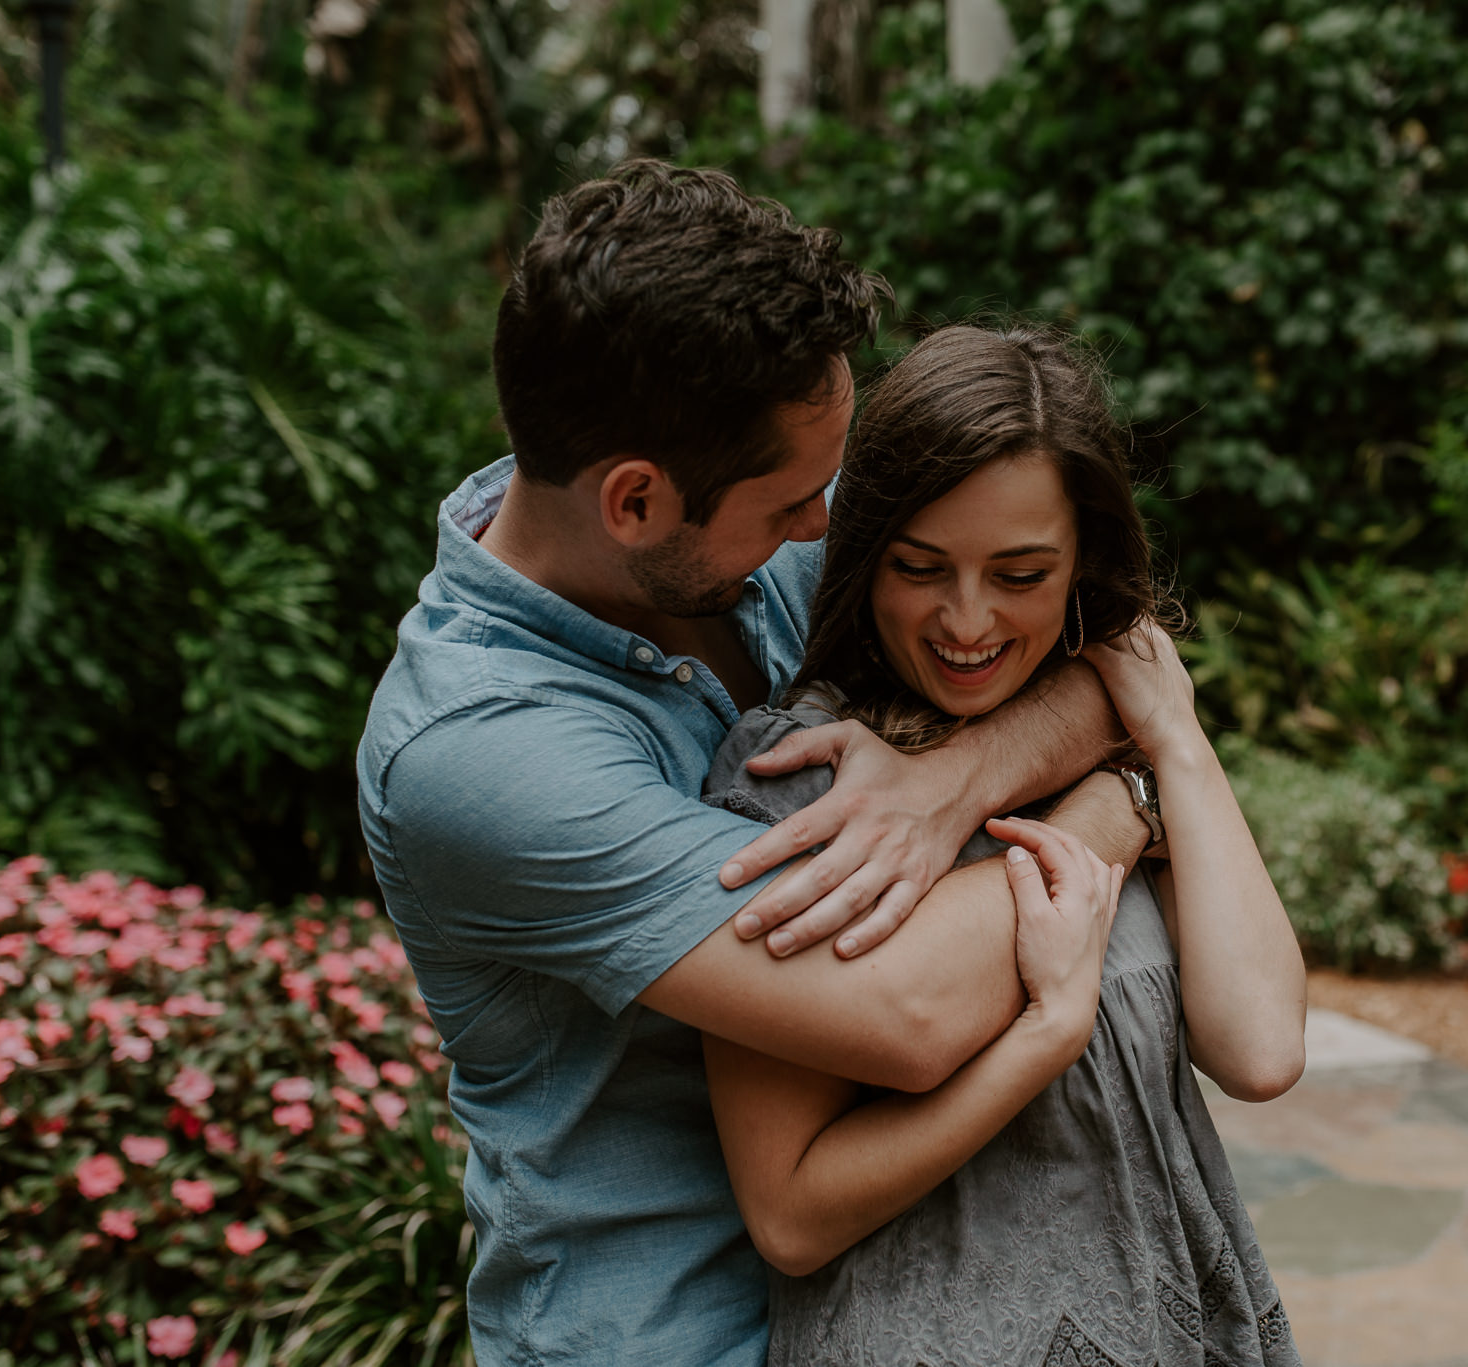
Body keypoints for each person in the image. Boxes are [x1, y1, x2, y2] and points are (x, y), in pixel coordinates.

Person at [356, 163, 1146, 1367]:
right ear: (634, 499)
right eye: (791, 502)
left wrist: (961, 776)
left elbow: (1128, 650)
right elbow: (907, 1011)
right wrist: (1117, 805)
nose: (829, 525)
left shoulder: (728, 534)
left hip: (894, 1310)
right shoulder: (477, 752)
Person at [700, 324, 1311, 1366]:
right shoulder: (803, 780)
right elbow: (791, 1213)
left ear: (1082, 565)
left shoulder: (1110, 748)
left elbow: (1256, 1045)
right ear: (863, 553)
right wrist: (1045, 1032)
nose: (967, 620)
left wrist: (1170, 738)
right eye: (920, 566)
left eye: (1020, 572)